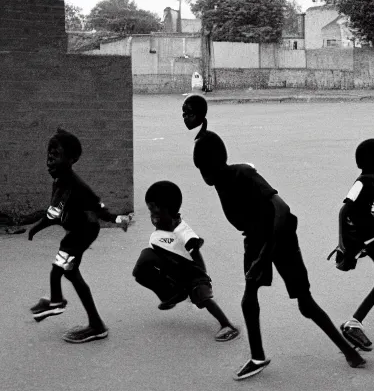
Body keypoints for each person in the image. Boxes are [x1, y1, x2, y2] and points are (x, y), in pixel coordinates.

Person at [185, 95, 366, 380]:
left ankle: (348, 352)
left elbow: (282, 210)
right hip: (256, 240)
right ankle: (259, 357)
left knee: (304, 303)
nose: (203, 175)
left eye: (204, 168)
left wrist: (264, 255)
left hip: (279, 237)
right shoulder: (221, 182)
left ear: (216, 163)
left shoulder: (242, 174)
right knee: (251, 298)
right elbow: (205, 138)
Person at [27, 128, 130, 343]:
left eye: (56, 155)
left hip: (83, 233)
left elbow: (97, 206)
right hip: (74, 233)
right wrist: (37, 227)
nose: (50, 161)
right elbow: (54, 214)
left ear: (72, 159)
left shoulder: (74, 184)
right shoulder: (60, 182)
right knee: (66, 271)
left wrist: (117, 219)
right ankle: (68, 308)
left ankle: (77, 314)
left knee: (64, 270)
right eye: (49, 155)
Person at [132, 180, 240, 342]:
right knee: (141, 267)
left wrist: (194, 249)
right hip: (174, 269)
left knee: (203, 299)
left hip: (193, 273)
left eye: (153, 209)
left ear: (166, 209)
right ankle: (171, 294)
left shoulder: (181, 229)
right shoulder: (162, 226)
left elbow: (193, 243)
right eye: (150, 210)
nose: (151, 215)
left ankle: (227, 325)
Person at [329, 139, 374, 352]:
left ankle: (355, 323)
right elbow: (345, 210)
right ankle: (353, 323)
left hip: (371, 229)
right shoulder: (365, 182)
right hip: (365, 233)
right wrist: (348, 246)